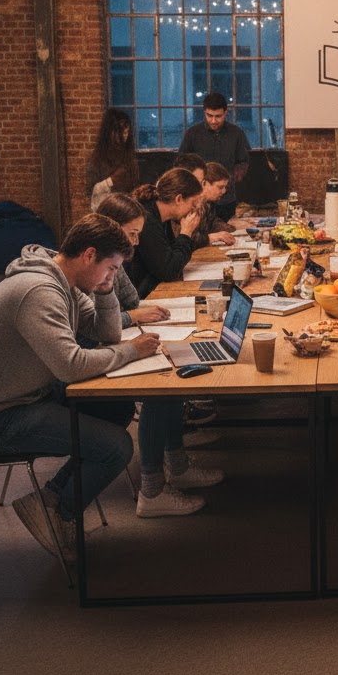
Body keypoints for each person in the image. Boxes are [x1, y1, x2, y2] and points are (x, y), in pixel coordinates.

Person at [0, 214, 161, 560]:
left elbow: (104, 334)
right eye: (111, 268)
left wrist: (106, 291)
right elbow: (71, 365)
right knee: (115, 447)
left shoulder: (63, 278)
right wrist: (131, 351)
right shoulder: (39, 291)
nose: (112, 276)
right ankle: (59, 512)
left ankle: (49, 500)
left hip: (26, 396)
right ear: (89, 255)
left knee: (117, 409)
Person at [93, 194, 223, 516]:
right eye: (132, 233)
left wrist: (139, 313)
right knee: (160, 386)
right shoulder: (97, 263)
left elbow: (130, 299)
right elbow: (98, 325)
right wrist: (134, 317)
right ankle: (151, 491)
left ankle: (176, 464)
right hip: (97, 354)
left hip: (116, 340)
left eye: (139, 234)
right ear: (111, 229)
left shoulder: (116, 261)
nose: (136, 242)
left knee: (175, 366)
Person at [127, 168, 203, 298]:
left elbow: (172, 254)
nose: (193, 209)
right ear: (179, 199)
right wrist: (185, 233)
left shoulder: (162, 216)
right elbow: (169, 271)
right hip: (142, 296)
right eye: (193, 203)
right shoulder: (147, 220)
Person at [177, 93, 250, 222]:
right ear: (204, 112)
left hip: (226, 198)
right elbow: (181, 165)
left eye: (218, 116)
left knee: (227, 234)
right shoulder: (192, 134)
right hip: (198, 199)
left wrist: (231, 179)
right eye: (209, 116)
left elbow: (243, 162)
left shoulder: (236, 133)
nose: (213, 121)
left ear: (226, 113)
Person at [87, 108, 138, 210]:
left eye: (126, 132)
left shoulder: (128, 155)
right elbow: (91, 191)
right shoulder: (98, 158)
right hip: (106, 209)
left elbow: (134, 185)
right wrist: (112, 180)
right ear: (111, 132)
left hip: (126, 208)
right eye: (121, 132)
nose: (125, 136)